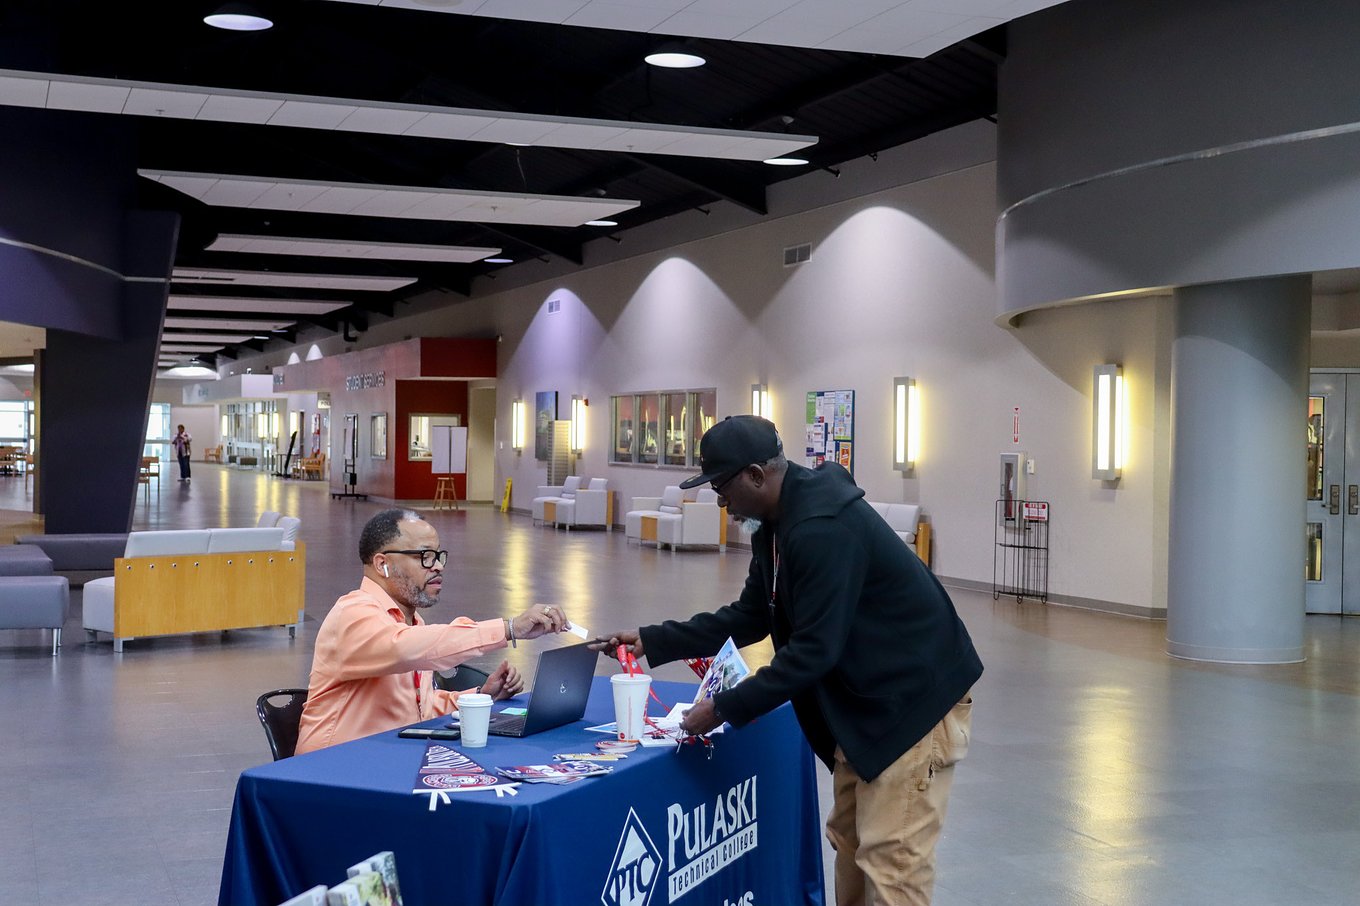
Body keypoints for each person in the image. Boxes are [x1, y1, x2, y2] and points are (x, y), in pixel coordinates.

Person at [593, 416, 982, 906]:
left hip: (913, 706)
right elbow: (752, 615)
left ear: (756, 475)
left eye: (722, 488)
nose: (721, 503)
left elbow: (814, 652)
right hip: (864, 705)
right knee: (851, 840)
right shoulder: (772, 527)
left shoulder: (822, 528)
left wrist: (723, 708)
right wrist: (654, 640)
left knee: (892, 861)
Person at [296, 508, 571, 755]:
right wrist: (508, 628)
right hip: (332, 769)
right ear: (383, 564)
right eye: (425, 556)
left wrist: (480, 695)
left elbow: (419, 707)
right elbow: (404, 648)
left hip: (388, 759)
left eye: (439, 556)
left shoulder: (412, 622)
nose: (437, 565)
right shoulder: (353, 614)